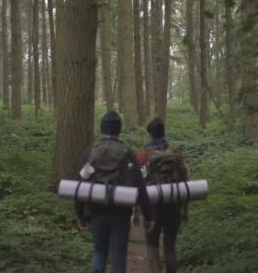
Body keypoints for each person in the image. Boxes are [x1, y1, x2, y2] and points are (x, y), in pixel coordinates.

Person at [76, 111, 154, 273]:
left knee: (99, 252)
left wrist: (80, 214)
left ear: (101, 129)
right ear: (119, 130)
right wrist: (148, 216)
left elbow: (81, 185)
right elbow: (140, 186)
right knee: (118, 256)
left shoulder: (90, 152)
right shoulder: (128, 153)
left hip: (96, 210)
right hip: (121, 213)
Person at [136, 117, 189, 273]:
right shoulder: (176, 155)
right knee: (170, 247)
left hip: (152, 209)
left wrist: (136, 213)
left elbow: (138, 184)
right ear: (163, 133)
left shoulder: (143, 156)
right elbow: (185, 183)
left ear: (150, 134)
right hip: (173, 206)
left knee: (152, 246)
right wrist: (185, 212)